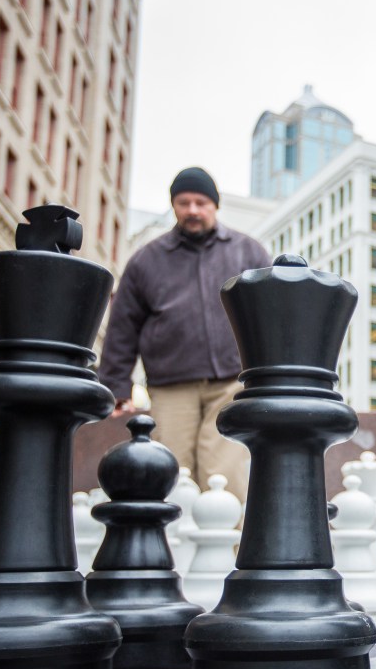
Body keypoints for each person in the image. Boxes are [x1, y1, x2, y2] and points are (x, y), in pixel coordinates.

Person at [99, 167, 272, 499]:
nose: (192, 210)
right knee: (174, 472)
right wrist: (116, 385)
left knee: (224, 475)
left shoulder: (248, 252)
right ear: (174, 206)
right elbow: (123, 325)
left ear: (214, 206)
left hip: (232, 382)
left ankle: (231, 549)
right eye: (183, 202)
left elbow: (268, 313)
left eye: (201, 202)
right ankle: (175, 550)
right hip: (170, 384)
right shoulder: (146, 260)